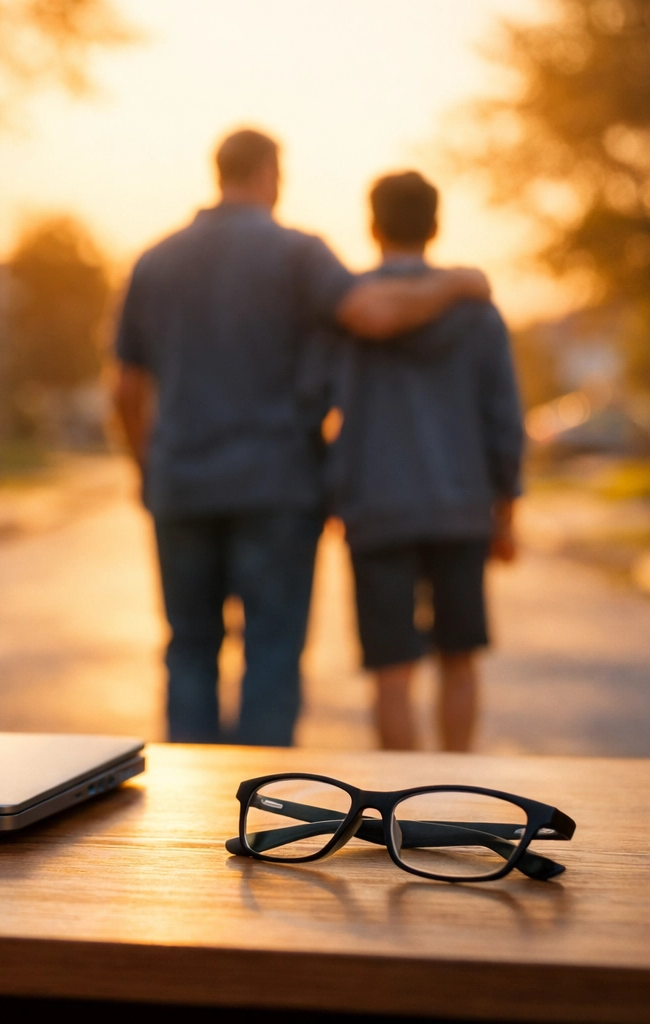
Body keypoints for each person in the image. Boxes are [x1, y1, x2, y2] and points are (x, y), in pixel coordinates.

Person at [111, 130, 491, 747]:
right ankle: (251, 814)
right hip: (277, 488)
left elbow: (126, 389)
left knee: (189, 650)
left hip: (181, 485)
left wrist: (146, 469)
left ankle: (188, 823)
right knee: (272, 652)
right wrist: (458, 284)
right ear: (268, 174)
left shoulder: (155, 261)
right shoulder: (297, 255)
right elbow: (373, 314)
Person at [317, 170, 524, 752]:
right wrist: (505, 512)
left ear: (373, 224)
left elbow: (312, 406)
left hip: (375, 508)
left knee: (392, 673)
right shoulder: (477, 312)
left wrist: (332, 491)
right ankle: (458, 797)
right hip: (461, 509)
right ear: (436, 225)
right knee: (459, 661)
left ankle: (398, 813)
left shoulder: (350, 312)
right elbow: (504, 423)